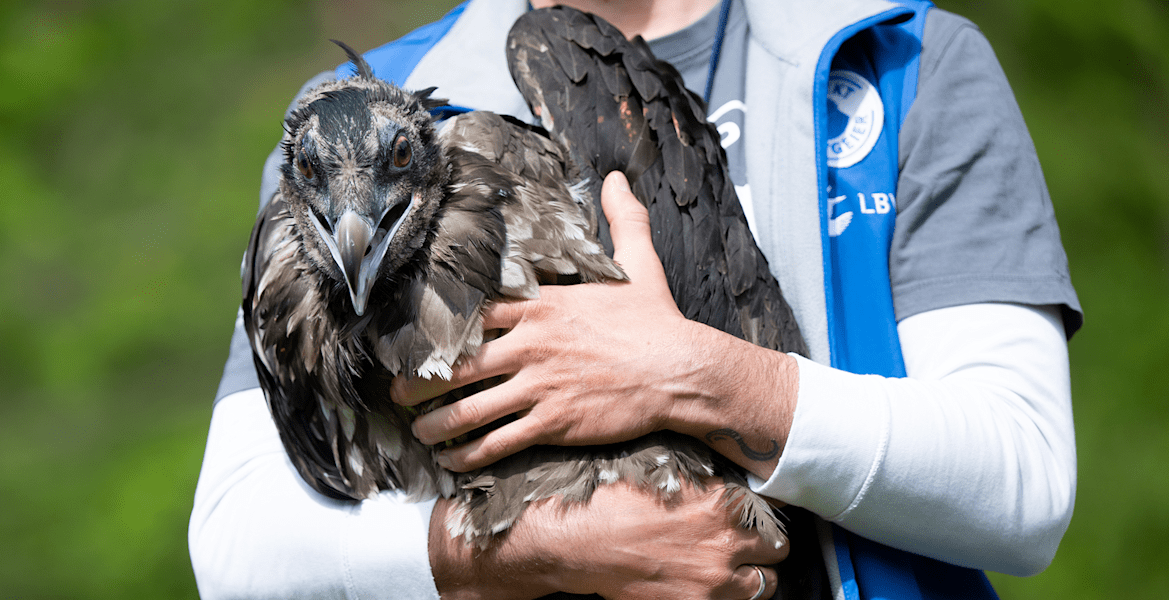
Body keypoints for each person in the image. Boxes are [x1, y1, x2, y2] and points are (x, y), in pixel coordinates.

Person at [189, 0, 1082, 598]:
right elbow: (236, 542)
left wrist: (705, 380)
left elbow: (1023, 485)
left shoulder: (898, 56)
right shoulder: (356, 123)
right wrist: (530, 550)